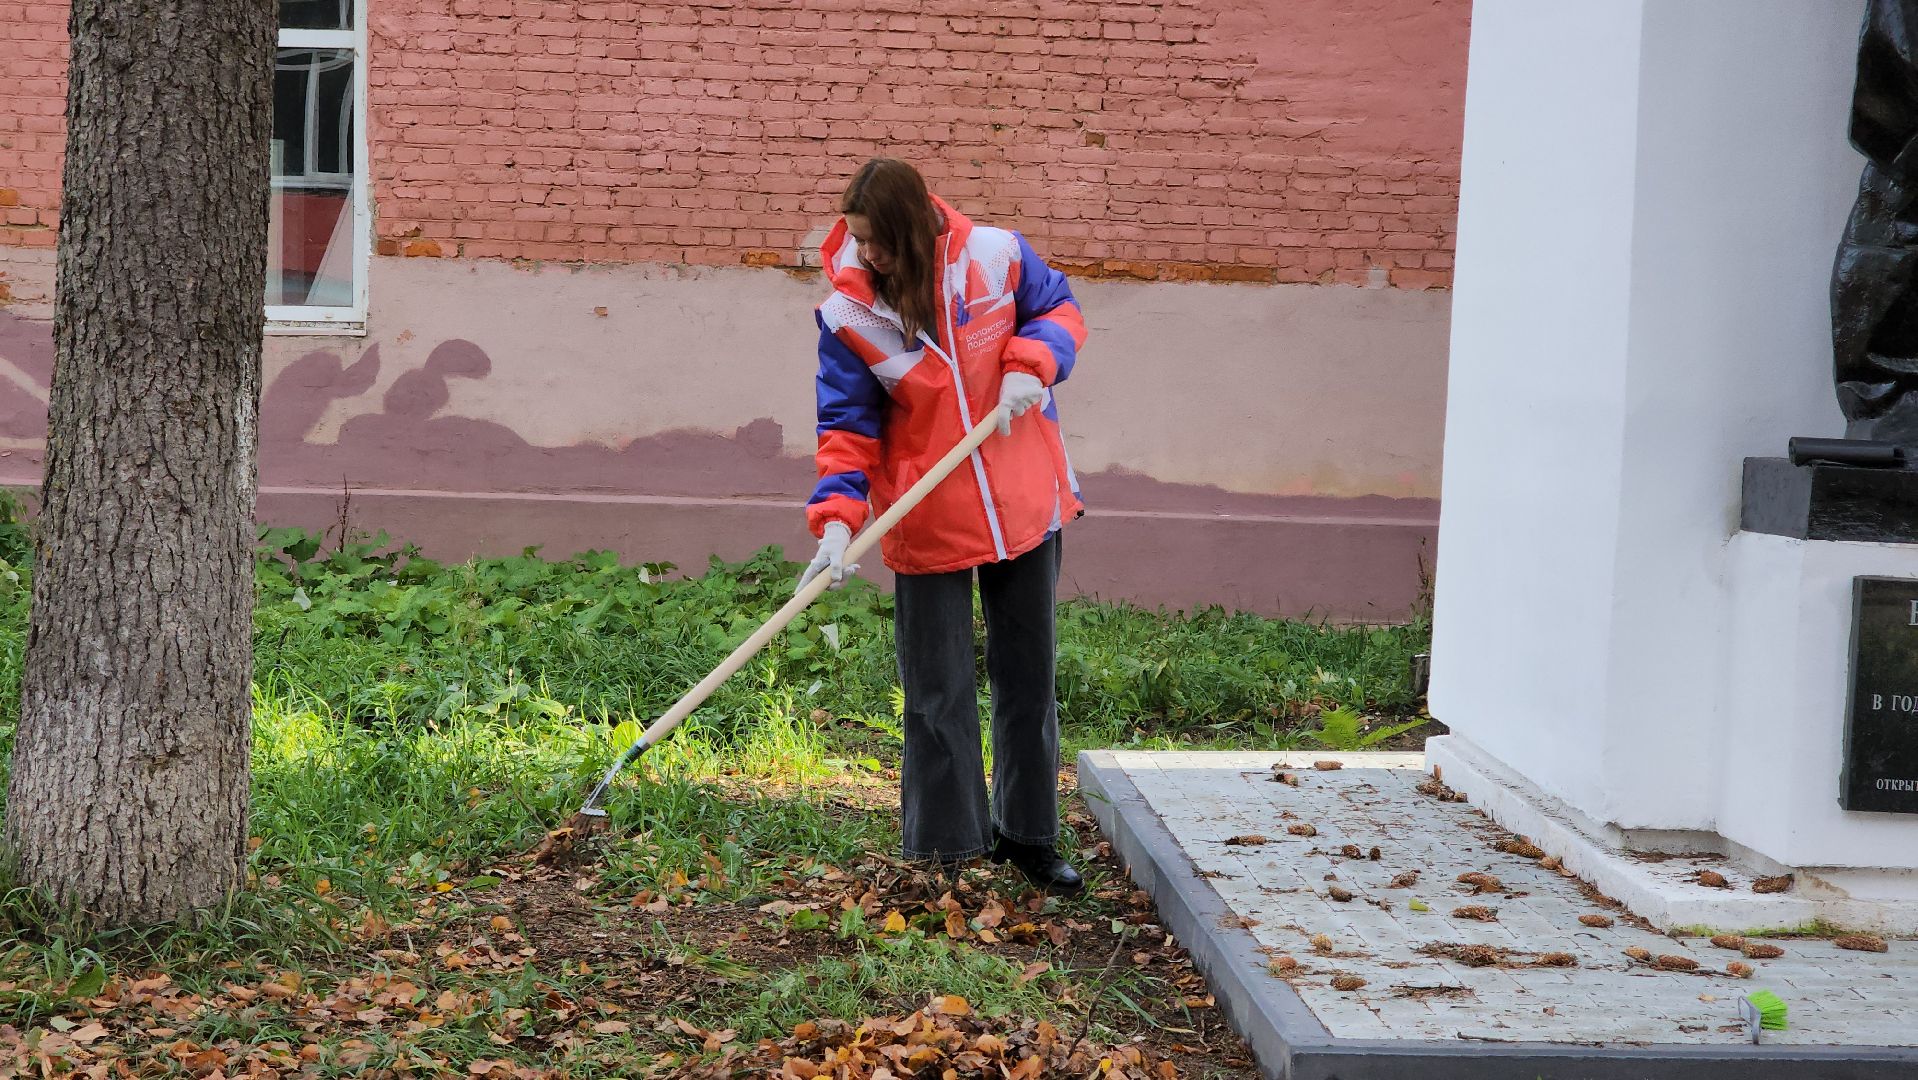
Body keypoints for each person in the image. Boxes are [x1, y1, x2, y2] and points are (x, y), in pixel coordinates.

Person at [796, 158, 1088, 891]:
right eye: (858, 240)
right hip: (924, 514)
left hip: (1023, 503)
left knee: (1028, 680)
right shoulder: (850, 315)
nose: (867, 255)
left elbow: (1061, 314)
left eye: (879, 241)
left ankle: (1029, 838)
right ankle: (947, 852)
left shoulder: (998, 256)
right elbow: (847, 427)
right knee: (937, 693)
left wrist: (1031, 363)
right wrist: (836, 520)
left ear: (913, 230)